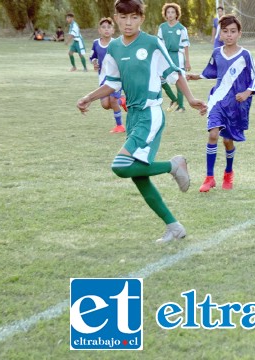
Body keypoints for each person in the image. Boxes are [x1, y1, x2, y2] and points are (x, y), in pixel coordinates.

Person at [77, 0, 207, 243]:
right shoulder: (114, 48)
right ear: (115, 17)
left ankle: (173, 165)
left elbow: (173, 73)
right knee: (138, 175)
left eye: (134, 17)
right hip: (133, 115)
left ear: (141, 19)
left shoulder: (151, 43)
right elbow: (112, 83)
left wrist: (189, 99)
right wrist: (89, 97)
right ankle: (174, 227)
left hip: (150, 113)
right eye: (123, 17)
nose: (128, 23)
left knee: (120, 165)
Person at [187, 15, 255, 192]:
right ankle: (209, 177)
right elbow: (211, 71)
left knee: (227, 141)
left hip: (236, 104)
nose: (229, 35)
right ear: (220, 34)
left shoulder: (245, 55)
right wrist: (196, 76)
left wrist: (247, 92)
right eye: (225, 32)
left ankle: (228, 172)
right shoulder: (217, 53)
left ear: (239, 33)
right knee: (213, 135)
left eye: (233, 32)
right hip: (218, 100)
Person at [89, 17, 127, 134]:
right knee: (105, 104)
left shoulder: (117, 43)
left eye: (109, 27)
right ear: (99, 30)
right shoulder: (96, 43)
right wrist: (94, 63)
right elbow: (92, 57)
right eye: (103, 27)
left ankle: (120, 126)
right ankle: (123, 101)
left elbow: (123, 58)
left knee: (112, 100)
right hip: (102, 78)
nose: (106, 29)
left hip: (116, 77)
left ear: (113, 30)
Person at [157, 2, 191, 113]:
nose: (170, 14)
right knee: (160, 78)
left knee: (178, 80)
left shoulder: (181, 28)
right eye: (168, 12)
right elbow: (159, 44)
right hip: (165, 56)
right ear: (165, 14)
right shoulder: (162, 27)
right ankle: (174, 99)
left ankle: (181, 106)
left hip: (178, 56)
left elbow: (186, 45)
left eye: (173, 12)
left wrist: (187, 61)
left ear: (177, 14)